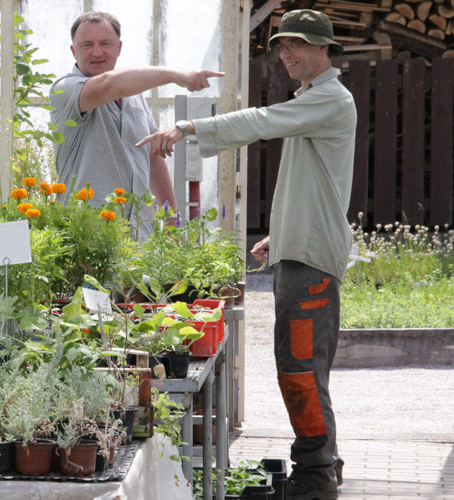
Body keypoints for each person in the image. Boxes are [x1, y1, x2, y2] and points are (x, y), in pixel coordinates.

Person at [139, 9, 355, 500]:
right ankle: (322, 465)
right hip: (299, 253)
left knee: (300, 367)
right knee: (301, 365)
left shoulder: (330, 100)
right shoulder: (315, 100)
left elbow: (262, 121)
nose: (287, 54)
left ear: (325, 49)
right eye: (282, 46)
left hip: (312, 264)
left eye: (298, 45)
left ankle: (316, 475)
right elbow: (312, 186)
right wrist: (279, 236)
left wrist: (190, 127)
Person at [49, 11, 223, 240]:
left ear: (119, 48)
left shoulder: (134, 96)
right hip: (87, 236)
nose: (97, 52)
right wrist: (177, 75)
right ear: (74, 51)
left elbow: (152, 155)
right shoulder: (65, 89)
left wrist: (171, 219)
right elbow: (108, 85)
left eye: (105, 43)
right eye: (87, 45)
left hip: (137, 233)